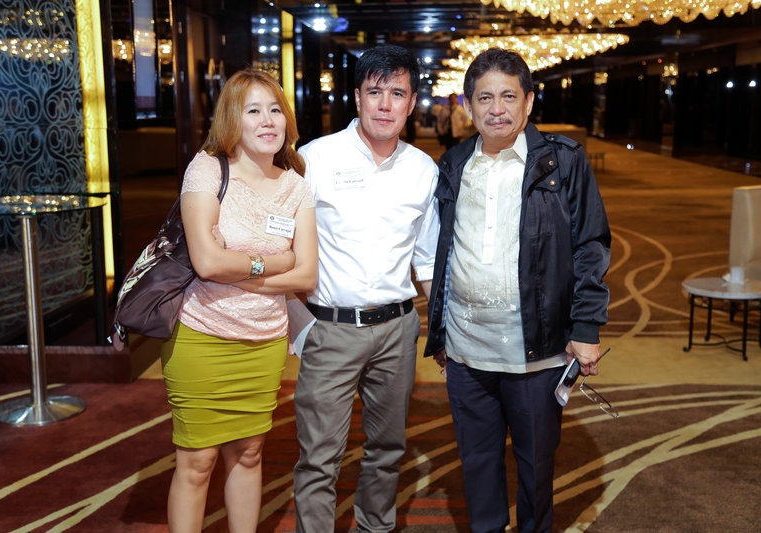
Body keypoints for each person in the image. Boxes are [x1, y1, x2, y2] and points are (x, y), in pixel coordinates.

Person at [424, 48, 611, 533]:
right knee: (478, 464)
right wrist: (440, 329)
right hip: (466, 350)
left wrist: (586, 327)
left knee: (535, 468)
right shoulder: (454, 163)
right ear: (468, 104)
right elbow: (441, 250)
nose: (497, 109)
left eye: (508, 96)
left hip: (537, 351)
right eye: (484, 97)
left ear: (528, 101)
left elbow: (590, 245)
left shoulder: (561, 160)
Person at [162, 69, 318, 533]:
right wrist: (276, 263)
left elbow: (306, 275)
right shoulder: (208, 169)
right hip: (202, 335)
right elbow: (207, 263)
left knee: (249, 453)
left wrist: (239, 268)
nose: (268, 120)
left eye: (275, 110)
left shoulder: (296, 184)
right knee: (197, 461)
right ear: (233, 118)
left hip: (265, 340)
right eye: (253, 110)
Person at [292, 44, 439, 533]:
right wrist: (299, 329)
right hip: (331, 329)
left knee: (388, 448)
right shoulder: (315, 159)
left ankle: (376, 526)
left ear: (411, 103)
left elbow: (426, 259)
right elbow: (284, 247)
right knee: (319, 456)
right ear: (357, 97)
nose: (384, 104)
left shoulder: (423, 169)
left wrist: (442, 327)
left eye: (397, 93)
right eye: (375, 92)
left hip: (398, 329)